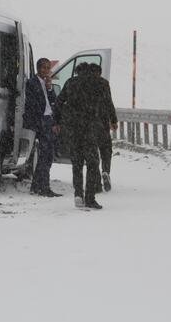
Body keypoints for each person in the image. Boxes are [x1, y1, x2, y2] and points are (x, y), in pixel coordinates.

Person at [54, 62, 110, 209]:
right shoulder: (98, 84)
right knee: (92, 164)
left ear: (77, 71)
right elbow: (105, 105)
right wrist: (106, 125)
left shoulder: (70, 83)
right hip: (90, 130)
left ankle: (78, 194)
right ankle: (90, 197)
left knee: (77, 164)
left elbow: (59, 102)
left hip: (73, 130)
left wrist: (57, 121)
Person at [22, 57, 62, 197]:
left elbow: (54, 101)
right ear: (38, 69)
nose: (46, 71)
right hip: (41, 121)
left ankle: (37, 186)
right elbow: (33, 105)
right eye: (44, 68)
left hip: (48, 119)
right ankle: (43, 187)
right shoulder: (32, 83)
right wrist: (40, 122)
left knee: (47, 155)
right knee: (46, 155)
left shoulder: (46, 83)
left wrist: (50, 88)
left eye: (48, 68)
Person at [89, 63, 118, 192]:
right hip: (103, 123)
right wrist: (114, 120)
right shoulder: (104, 83)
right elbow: (109, 102)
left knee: (93, 154)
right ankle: (105, 171)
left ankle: (96, 183)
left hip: (89, 124)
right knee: (106, 150)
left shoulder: (84, 84)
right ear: (100, 73)